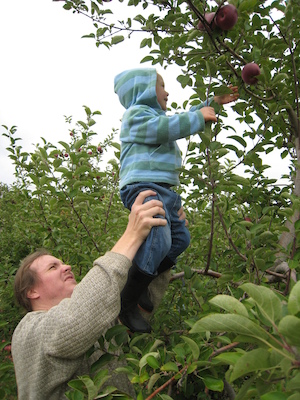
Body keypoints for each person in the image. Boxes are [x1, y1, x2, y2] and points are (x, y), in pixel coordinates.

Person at [11, 190, 183, 400]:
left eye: (63, 263)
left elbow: (137, 308)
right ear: (31, 291)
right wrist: (132, 235)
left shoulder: (95, 325)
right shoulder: (28, 331)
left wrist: (165, 248)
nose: (66, 267)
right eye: (52, 267)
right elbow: (74, 319)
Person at [114, 68, 239, 333]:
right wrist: (196, 118)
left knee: (181, 239)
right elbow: (166, 128)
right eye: (161, 86)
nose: (167, 91)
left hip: (165, 190)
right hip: (143, 186)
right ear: (144, 91)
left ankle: (143, 283)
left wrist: (212, 103)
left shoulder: (156, 116)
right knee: (160, 238)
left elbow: (177, 120)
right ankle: (126, 301)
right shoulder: (136, 116)